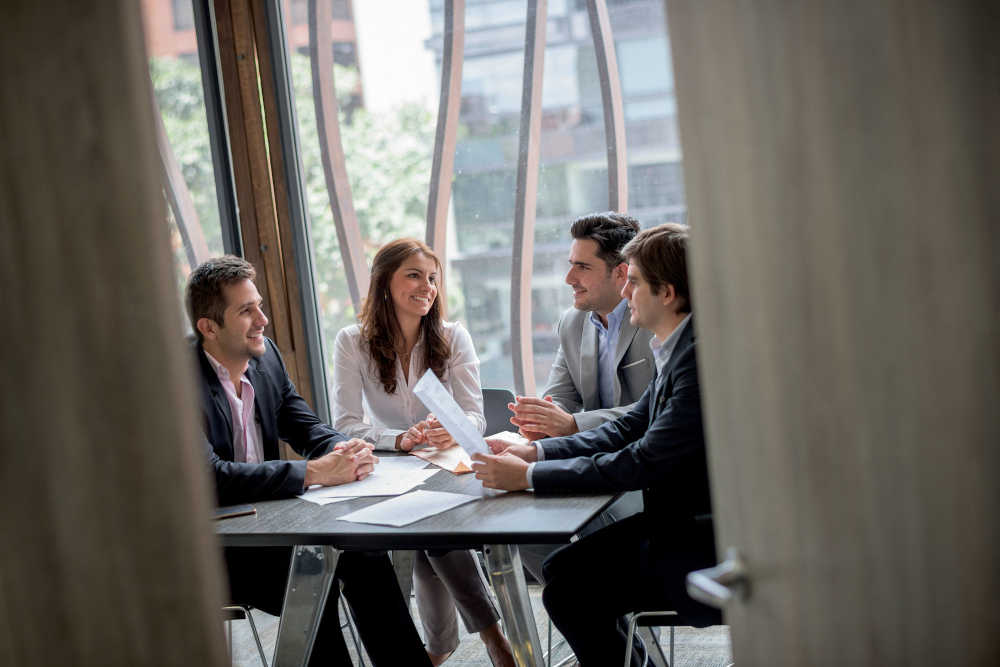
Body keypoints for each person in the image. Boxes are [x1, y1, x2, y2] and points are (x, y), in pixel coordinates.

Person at [471, 224, 721, 665]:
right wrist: (537, 452)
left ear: (666, 292)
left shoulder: (698, 360)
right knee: (560, 573)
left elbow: (641, 460)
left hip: (704, 539)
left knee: (569, 587)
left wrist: (528, 476)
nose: (627, 291)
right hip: (681, 521)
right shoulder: (680, 350)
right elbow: (626, 429)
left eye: (636, 282)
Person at [187, 255, 431, 667]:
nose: (262, 319)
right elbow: (209, 479)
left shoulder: (264, 359)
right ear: (209, 327)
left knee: (362, 554)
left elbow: (302, 424)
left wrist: (343, 450)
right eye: (246, 311)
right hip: (209, 548)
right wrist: (314, 472)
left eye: (259, 305)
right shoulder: (175, 382)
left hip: (267, 526)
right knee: (316, 568)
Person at [332, 238, 515, 667]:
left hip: (447, 468)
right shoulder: (350, 342)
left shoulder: (453, 337)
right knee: (434, 539)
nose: (427, 286)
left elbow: (475, 418)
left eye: (432, 277)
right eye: (414, 275)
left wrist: (449, 428)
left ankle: (441, 651)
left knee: (433, 536)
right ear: (384, 283)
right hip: (389, 471)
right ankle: (489, 637)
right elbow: (344, 424)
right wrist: (399, 438)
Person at [507, 211, 656, 585]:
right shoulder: (572, 322)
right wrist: (539, 418)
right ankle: (599, 617)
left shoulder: (654, 319)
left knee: (570, 522)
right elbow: (559, 396)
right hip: (592, 462)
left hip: (644, 476)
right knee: (517, 528)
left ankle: (602, 611)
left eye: (582, 267)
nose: (569, 278)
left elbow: (653, 411)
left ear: (620, 273)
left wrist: (572, 425)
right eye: (570, 265)